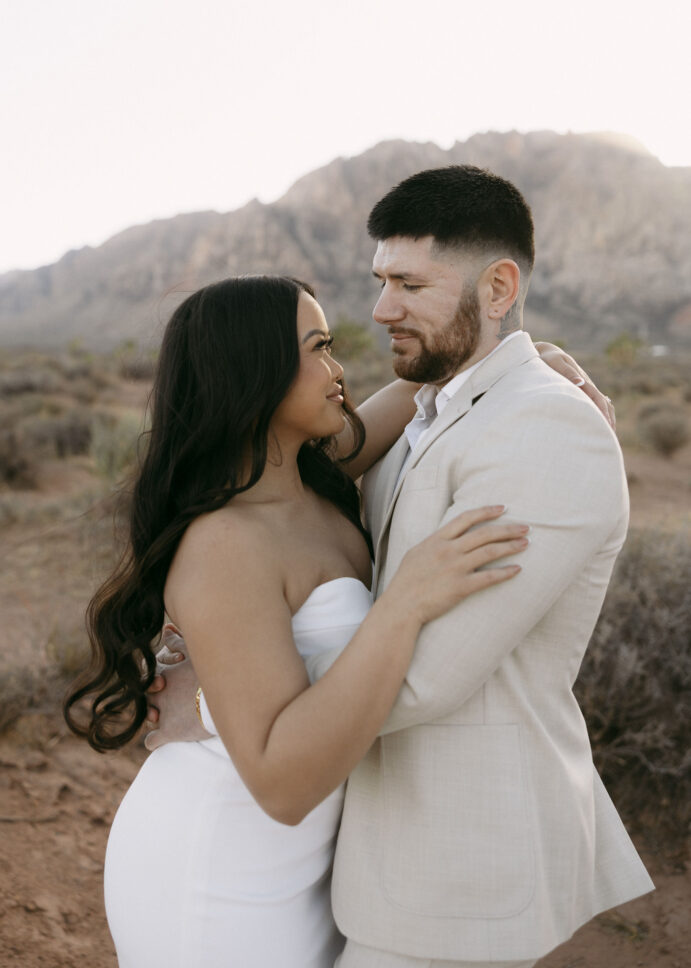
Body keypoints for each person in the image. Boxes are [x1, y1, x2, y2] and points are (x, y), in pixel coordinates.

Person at [150, 166, 653, 968]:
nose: (380, 310)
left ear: (497, 288)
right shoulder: (416, 417)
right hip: (327, 853)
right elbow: (270, 498)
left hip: (452, 872)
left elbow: (422, 681)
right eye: (381, 281)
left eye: (409, 284)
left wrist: (218, 707)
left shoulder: (545, 430)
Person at [65, 273, 539, 968]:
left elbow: (437, 382)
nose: (337, 369)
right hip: (220, 865)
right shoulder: (226, 541)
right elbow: (281, 787)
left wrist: (535, 366)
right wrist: (403, 604)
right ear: (251, 373)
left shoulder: (317, 477)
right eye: (316, 348)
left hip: (308, 862)